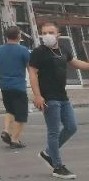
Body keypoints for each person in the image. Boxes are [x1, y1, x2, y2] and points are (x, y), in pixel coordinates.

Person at [29, 21, 89, 179]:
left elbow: (74, 63)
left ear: (58, 35)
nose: (47, 35)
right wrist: (37, 95)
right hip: (48, 97)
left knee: (71, 127)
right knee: (53, 132)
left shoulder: (64, 49)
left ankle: (48, 153)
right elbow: (32, 73)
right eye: (44, 33)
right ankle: (57, 166)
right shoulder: (39, 52)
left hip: (63, 96)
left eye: (50, 32)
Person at [0, 26, 30, 148]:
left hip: (4, 86)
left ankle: (6, 130)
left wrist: (1, 77)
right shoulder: (23, 50)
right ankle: (15, 139)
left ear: (6, 36)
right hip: (18, 86)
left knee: (10, 110)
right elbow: (31, 68)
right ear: (18, 36)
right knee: (21, 114)